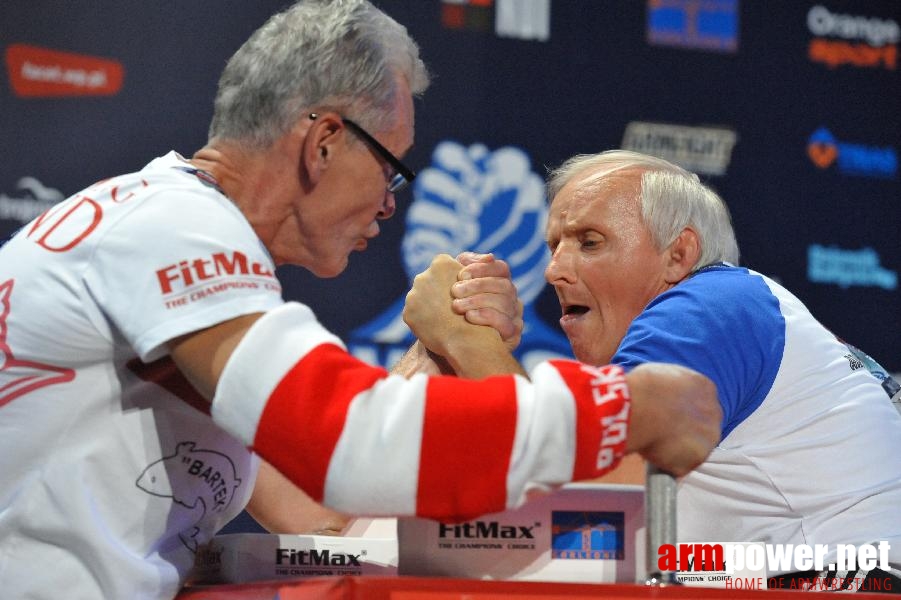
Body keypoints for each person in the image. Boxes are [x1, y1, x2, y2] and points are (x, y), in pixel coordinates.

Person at [0, 3, 723, 599]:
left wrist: (437, 342)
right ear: (321, 142)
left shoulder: (174, 242)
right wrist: (619, 407)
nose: (387, 205)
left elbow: (318, 504)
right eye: (392, 169)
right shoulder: (173, 229)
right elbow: (342, 438)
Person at [419, 148, 901, 590]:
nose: (554, 269)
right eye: (554, 246)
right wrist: (441, 345)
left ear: (679, 255)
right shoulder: (740, 314)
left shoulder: (709, 306)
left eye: (589, 242)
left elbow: (578, 501)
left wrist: (467, 339)